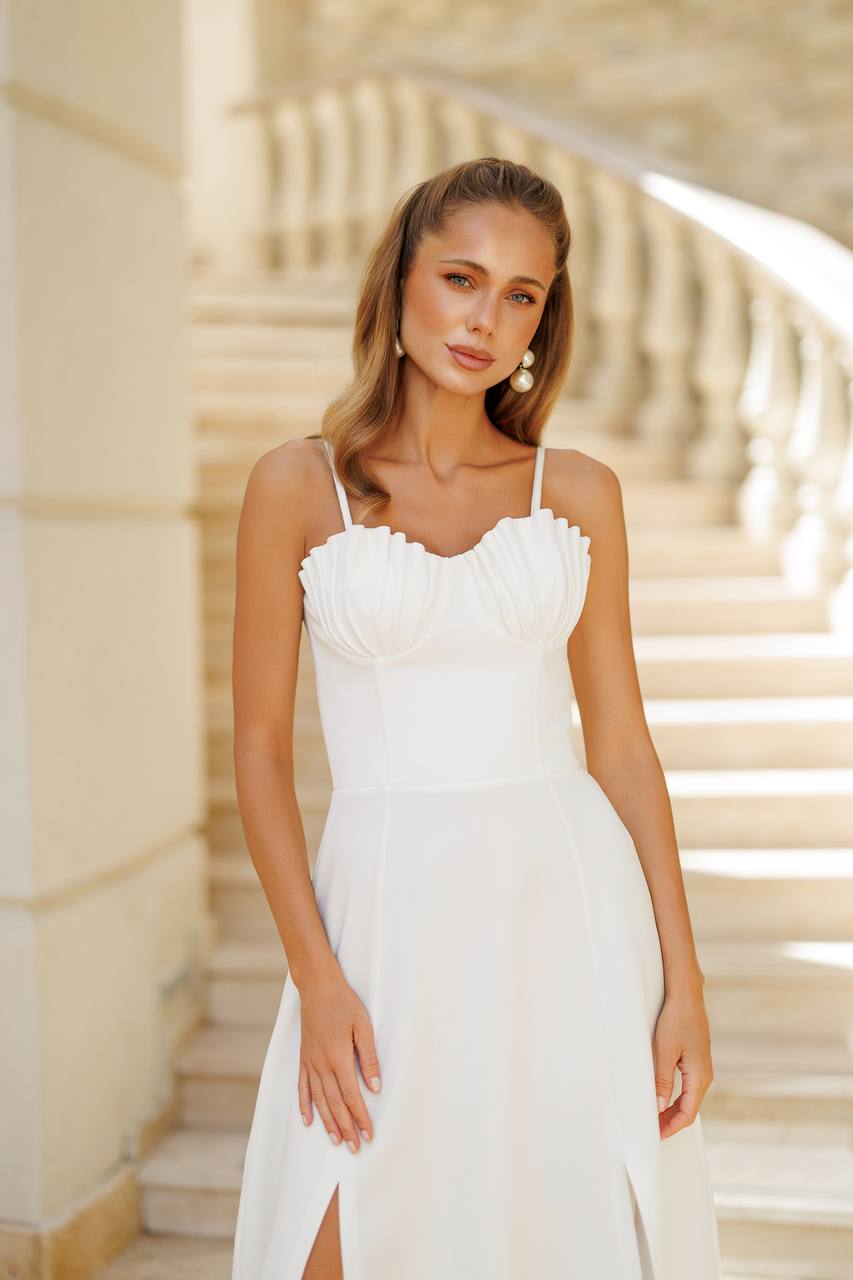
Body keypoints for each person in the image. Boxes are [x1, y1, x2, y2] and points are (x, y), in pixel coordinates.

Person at [229, 157, 722, 1279]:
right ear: (401, 278)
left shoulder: (577, 491)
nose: (484, 319)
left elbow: (622, 748)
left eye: (520, 294)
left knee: (568, 1231)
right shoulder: (297, 486)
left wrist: (683, 985)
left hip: (567, 910)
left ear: (544, 319)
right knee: (332, 1233)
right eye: (461, 278)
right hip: (383, 917)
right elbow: (257, 753)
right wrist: (315, 975)